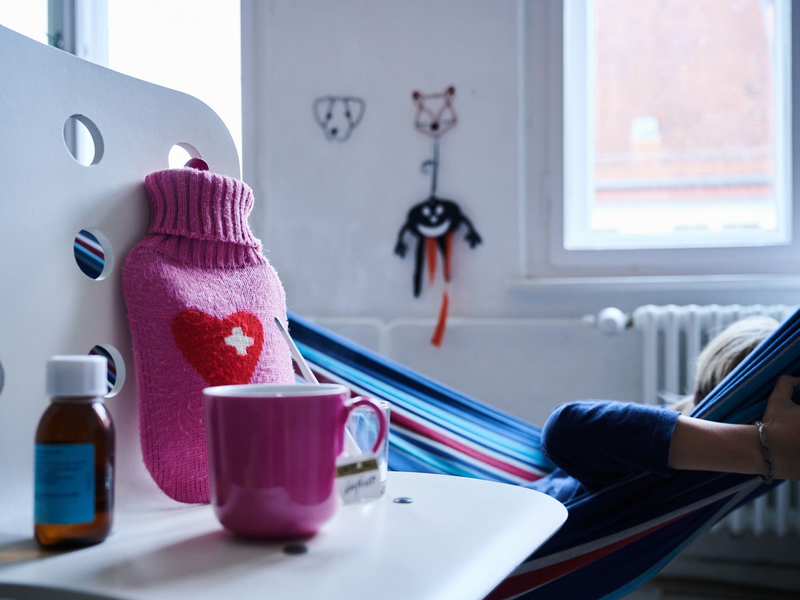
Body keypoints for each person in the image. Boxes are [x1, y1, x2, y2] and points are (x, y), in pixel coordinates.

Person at [528, 315, 800, 502]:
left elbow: (566, 426)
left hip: (523, 522)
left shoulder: (659, 470)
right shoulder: (763, 463)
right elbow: (565, 431)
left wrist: (766, 450)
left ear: (699, 392)